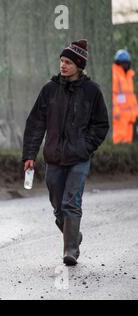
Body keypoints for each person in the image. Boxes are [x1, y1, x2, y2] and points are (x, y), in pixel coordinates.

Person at [22, 39, 109, 266]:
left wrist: (85, 146)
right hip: (53, 158)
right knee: (58, 205)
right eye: (61, 61)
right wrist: (30, 155)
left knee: (71, 203)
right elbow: (35, 124)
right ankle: (73, 234)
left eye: (68, 62)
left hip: (79, 158)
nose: (63, 65)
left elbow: (101, 125)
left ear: (79, 65)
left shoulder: (92, 92)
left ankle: (70, 250)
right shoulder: (49, 90)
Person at [112, 49, 138, 144]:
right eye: (124, 63)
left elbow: (131, 96)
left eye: (127, 63)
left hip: (129, 117)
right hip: (119, 117)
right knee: (118, 141)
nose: (126, 65)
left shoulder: (128, 76)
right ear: (119, 63)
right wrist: (116, 111)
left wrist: (135, 112)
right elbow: (113, 95)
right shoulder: (115, 75)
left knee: (127, 143)